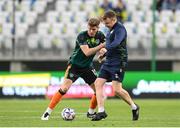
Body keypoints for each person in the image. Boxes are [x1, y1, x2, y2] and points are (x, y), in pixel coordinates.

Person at [41, 17, 106, 120]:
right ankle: (47, 113)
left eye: (93, 29)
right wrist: (102, 46)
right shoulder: (82, 36)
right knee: (64, 89)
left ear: (98, 28)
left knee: (98, 90)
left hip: (87, 67)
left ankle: (91, 112)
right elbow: (87, 52)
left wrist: (103, 51)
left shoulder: (101, 36)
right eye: (89, 28)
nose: (91, 31)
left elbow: (105, 48)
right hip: (75, 65)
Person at [91, 10, 140, 121]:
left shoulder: (120, 29)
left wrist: (105, 49)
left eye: (107, 23)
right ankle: (101, 111)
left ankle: (134, 106)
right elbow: (111, 46)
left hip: (119, 62)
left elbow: (117, 42)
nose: (106, 25)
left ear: (114, 19)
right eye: (105, 24)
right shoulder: (110, 30)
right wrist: (104, 55)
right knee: (98, 83)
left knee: (117, 90)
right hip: (109, 62)